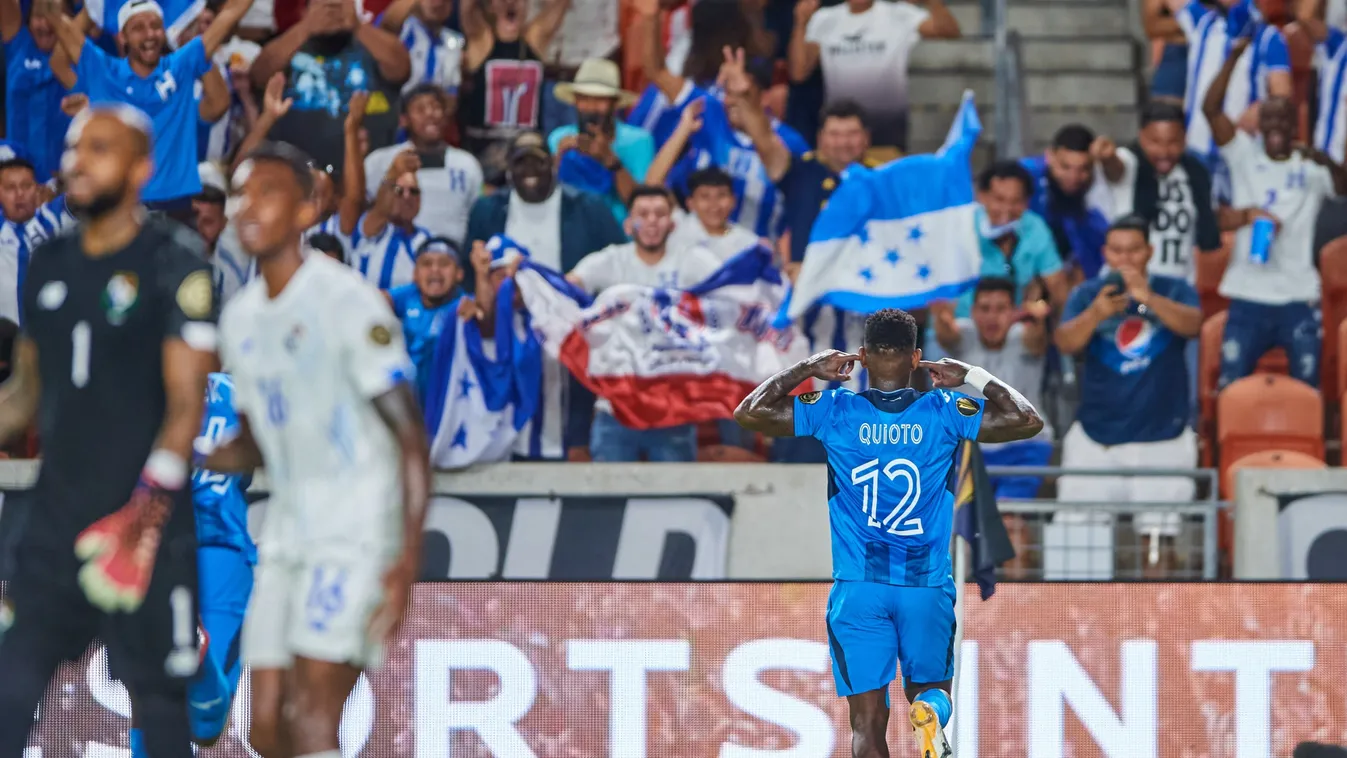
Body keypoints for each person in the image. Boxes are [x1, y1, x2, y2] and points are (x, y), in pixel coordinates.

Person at [0, 104, 217, 758]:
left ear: (141, 168)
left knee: (160, 710)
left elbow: (187, 406)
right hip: (52, 522)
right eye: (71, 148)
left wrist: (145, 518)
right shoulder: (47, 263)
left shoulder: (174, 261)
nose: (76, 161)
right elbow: (24, 396)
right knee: (9, 693)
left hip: (145, 527)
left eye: (98, 149)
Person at [201, 140, 430, 758]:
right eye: (238, 192)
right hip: (285, 536)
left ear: (307, 211)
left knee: (310, 720)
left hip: (355, 532)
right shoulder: (242, 318)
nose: (247, 206)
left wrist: (406, 559)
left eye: (266, 192)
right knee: (265, 728)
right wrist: (178, 456)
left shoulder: (346, 301)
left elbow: (410, 437)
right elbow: (250, 439)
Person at [732, 309, 1043, 758]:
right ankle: (931, 712)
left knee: (867, 724)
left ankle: (916, 717)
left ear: (862, 356)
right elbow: (1026, 420)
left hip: (859, 590)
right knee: (931, 694)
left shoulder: (835, 409)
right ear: (916, 357)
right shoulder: (945, 410)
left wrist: (806, 367)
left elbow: (750, 413)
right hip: (926, 587)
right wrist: (972, 374)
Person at [1053, 215, 1203, 569]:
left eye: (1133, 250)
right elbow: (1065, 342)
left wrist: (1148, 298)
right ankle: (1078, 626)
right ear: (1106, 252)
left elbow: (1194, 325)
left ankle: (1154, 626)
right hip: (1097, 438)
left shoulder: (1174, 288)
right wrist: (1095, 314)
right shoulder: (1088, 294)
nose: (1125, 259)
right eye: (1117, 251)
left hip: (1162, 437)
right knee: (1078, 551)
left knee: (1157, 546)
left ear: (1149, 252)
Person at [1204, 37, 1345, 389]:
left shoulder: (1310, 166)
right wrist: (1234, 57)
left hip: (1297, 296)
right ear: (1259, 124)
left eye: (1283, 118)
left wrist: (1325, 158)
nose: (1276, 126)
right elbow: (1211, 109)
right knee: (1229, 386)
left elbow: (1343, 189)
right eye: (1269, 119)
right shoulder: (1243, 156)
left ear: (1295, 121)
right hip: (1248, 294)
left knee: (1308, 388)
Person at [128, 371, 257, 757]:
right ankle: (196, 653)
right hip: (223, 549)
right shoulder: (244, 387)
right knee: (205, 727)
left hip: (157, 545)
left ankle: (188, 646)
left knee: (153, 701)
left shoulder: (136, 379)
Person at [41, 0, 255, 220]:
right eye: (138, 28)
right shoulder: (102, 69)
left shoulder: (180, 65)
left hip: (175, 208)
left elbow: (230, 13)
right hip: (119, 206)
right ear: (122, 37)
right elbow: (56, 19)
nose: (149, 34)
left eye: (155, 26)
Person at [566, 185, 721, 462]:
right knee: (611, 500)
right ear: (628, 224)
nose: (651, 221)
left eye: (660, 214)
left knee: (678, 500)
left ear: (672, 224)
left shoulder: (691, 260)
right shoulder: (612, 260)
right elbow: (567, 287)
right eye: (643, 213)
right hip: (616, 407)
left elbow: (732, 288)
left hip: (674, 409)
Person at [646, 47, 809, 240]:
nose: (731, 101)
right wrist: (683, 129)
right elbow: (652, 186)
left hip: (761, 255)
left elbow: (804, 204)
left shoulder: (790, 144)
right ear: (691, 202)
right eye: (727, 93)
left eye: (741, 94)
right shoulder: (709, 114)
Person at [248, 0, 410, 172]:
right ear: (306, 9)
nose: (332, 10)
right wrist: (306, 28)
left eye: (340, 3)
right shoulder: (290, 46)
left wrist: (357, 26)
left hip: (369, 172)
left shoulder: (373, 44)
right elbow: (259, 75)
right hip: (300, 173)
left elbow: (402, 67)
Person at [788, 0, 960, 157]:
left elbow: (949, 31)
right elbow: (798, 73)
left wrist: (932, 2)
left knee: (885, 188)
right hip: (840, 132)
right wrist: (801, 24)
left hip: (887, 129)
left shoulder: (899, 14)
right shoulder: (823, 18)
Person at [934, 278, 1055, 499]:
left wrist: (1038, 321)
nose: (992, 317)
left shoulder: (1022, 335)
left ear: (1014, 311)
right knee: (961, 523)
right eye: (985, 309)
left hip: (1024, 446)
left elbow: (1036, 340)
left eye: (1001, 309)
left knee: (1010, 519)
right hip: (970, 448)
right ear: (972, 312)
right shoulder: (965, 335)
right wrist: (941, 311)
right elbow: (947, 334)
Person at [457, 0, 571, 186]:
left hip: (527, 153)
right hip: (484, 156)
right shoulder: (481, 40)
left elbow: (560, 4)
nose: (511, 2)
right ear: (491, 6)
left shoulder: (534, 40)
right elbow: (466, 8)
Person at [1106, 101, 1221, 283]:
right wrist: (1106, 157)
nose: (1164, 151)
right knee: (1142, 311)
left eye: (1173, 142)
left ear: (1185, 139)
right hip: (1132, 284)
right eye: (1155, 142)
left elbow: (1209, 221)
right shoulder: (1131, 162)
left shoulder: (1196, 172)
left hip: (1179, 286)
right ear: (1141, 137)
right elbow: (1115, 169)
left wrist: (1246, 216)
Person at [364, 84, 484, 245]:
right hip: (396, 257)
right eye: (420, 110)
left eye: (436, 108)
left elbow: (477, 218)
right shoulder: (380, 160)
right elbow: (362, 210)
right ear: (404, 120)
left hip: (449, 259)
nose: (430, 115)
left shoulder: (467, 164)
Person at [548, 57, 656, 221]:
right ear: (575, 102)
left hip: (620, 234)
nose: (591, 107)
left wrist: (610, 160)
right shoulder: (558, 138)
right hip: (572, 232)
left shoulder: (639, 140)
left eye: (600, 99)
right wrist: (558, 158)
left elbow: (644, 204)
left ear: (615, 103)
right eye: (584, 99)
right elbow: (545, 198)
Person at [1020, 124, 1122, 278]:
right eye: (1065, 167)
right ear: (1050, 156)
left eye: (1083, 169)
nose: (1073, 177)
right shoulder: (1025, 176)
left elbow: (1119, 173)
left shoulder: (1096, 191)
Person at [0, 0, 72, 181]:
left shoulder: (83, 56)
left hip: (65, 181)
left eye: (54, 15)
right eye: (39, 16)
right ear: (29, 20)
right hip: (19, 180)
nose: (46, 24)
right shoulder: (18, 45)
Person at [387, 236, 463, 400]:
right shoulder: (408, 295)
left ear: (459, 274)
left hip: (445, 406)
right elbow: (371, 300)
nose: (435, 270)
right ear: (415, 274)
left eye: (444, 264)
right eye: (427, 264)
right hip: (408, 402)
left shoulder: (464, 306)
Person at [353, 149, 432, 289]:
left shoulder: (425, 240)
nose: (407, 197)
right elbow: (381, 209)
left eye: (413, 191)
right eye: (399, 191)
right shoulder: (372, 230)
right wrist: (393, 173)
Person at [667, 166, 760, 261]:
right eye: (705, 196)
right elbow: (654, 182)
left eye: (721, 195)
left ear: (733, 201)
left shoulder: (750, 244)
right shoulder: (676, 226)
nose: (714, 204)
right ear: (690, 203)